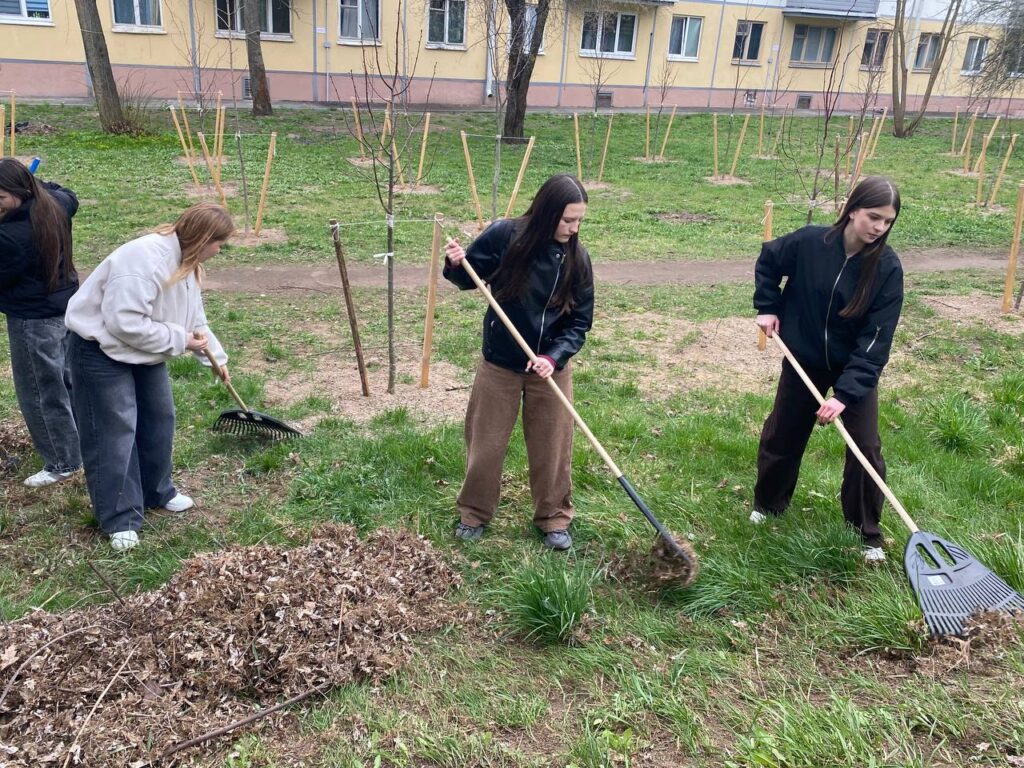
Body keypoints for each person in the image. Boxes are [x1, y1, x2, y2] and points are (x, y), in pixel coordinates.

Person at [64, 202, 234, 551]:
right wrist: (180, 340)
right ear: (203, 239)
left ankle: (157, 491)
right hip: (100, 350)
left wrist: (216, 359)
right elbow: (124, 322)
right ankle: (120, 518)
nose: (221, 250)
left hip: (144, 350)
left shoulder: (188, 263)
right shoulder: (144, 261)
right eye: (220, 244)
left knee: (159, 417)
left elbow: (194, 319)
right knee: (114, 431)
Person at [752, 176, 904, 563]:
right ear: (852, 210)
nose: (879, 227)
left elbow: (876, 339)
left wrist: (845, 395)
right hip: (804, 357)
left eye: (887, 221)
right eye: (873, 217)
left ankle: (866, 532)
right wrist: (767, 306)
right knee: (784, 433)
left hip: (852, 365)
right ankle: (768, 505)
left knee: (865, 447)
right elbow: (769, 260)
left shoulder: (886, 268)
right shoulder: (809, 243)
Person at [443, 173, 594, 551]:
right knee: (486, 444)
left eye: (579, 221)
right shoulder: (504, 235)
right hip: (501, 363)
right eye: (568, 220)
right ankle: (474, 513)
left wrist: (553, 357)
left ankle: (553, 517)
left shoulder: (577, 259)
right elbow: (467, 278)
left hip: (549, 369)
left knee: (553, 447)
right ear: (547, 213)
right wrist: (456, 264)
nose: (574, 229)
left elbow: (580, 322)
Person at [0, 158, 83, 487]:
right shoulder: (56, 205)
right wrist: (35, 184)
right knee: (65, 382)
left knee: (40, 390)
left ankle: (62, 461)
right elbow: (68, 193)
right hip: (65, 310)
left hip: (32, 320)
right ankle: (79, 444)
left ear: (21, 192)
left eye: (0, 197)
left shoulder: (12, 236)